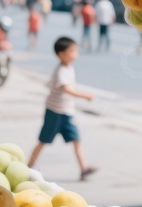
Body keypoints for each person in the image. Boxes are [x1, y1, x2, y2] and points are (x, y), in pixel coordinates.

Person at [28, 37, 96, 180]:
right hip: (55, 112)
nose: (75, 53)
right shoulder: (61, 70)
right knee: (43, 140)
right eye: (72, 51)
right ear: (61, 54)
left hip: (66, 112)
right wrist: (85, 96)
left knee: (76, 139)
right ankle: (28, 167)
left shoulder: (68, 68)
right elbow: (66, 89)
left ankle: (84, 168)